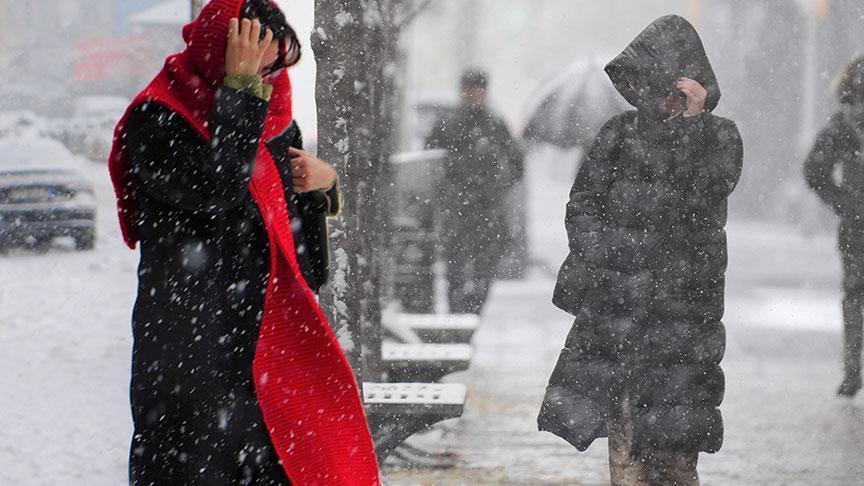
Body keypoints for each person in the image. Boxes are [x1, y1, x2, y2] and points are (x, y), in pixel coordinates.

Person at [107, 1, 379, 484]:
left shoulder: (269, 122)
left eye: (274, 65)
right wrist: (241, 92)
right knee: (190, 467)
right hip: (189, 348)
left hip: (264, 350)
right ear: (223, 54)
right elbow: (217, 187)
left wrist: (322, 188)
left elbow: (304, 266)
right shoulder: (157, 119)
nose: (270, 80)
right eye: (258, 64)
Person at [537, 16, 743, 485]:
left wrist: (693, 125)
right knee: (626, 451)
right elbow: (583, 203)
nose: (662, 98)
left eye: (672, 87)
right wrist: (607, 253)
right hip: (622, 321)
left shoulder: (720, 137)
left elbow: (708, 192)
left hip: (684, 327)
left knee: (674, 456)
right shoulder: (618, 134)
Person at [426, 69, 524, 315]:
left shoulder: (494, 124)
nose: (474, 94)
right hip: (459, 209)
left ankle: (470, 316)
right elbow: (431, 161)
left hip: (485, 210)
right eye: (470, 89)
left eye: (478, 89)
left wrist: (498, 185)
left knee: (483, 271)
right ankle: (458, 318)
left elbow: (516, 163)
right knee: (456, 271)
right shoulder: (448, 124)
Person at [804, 56, 864, 398]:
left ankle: (852, 371)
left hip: (858, 224)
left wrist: (845, 202)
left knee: (855, 296)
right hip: (857, 221)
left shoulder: (844, 122)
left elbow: (814, 169)